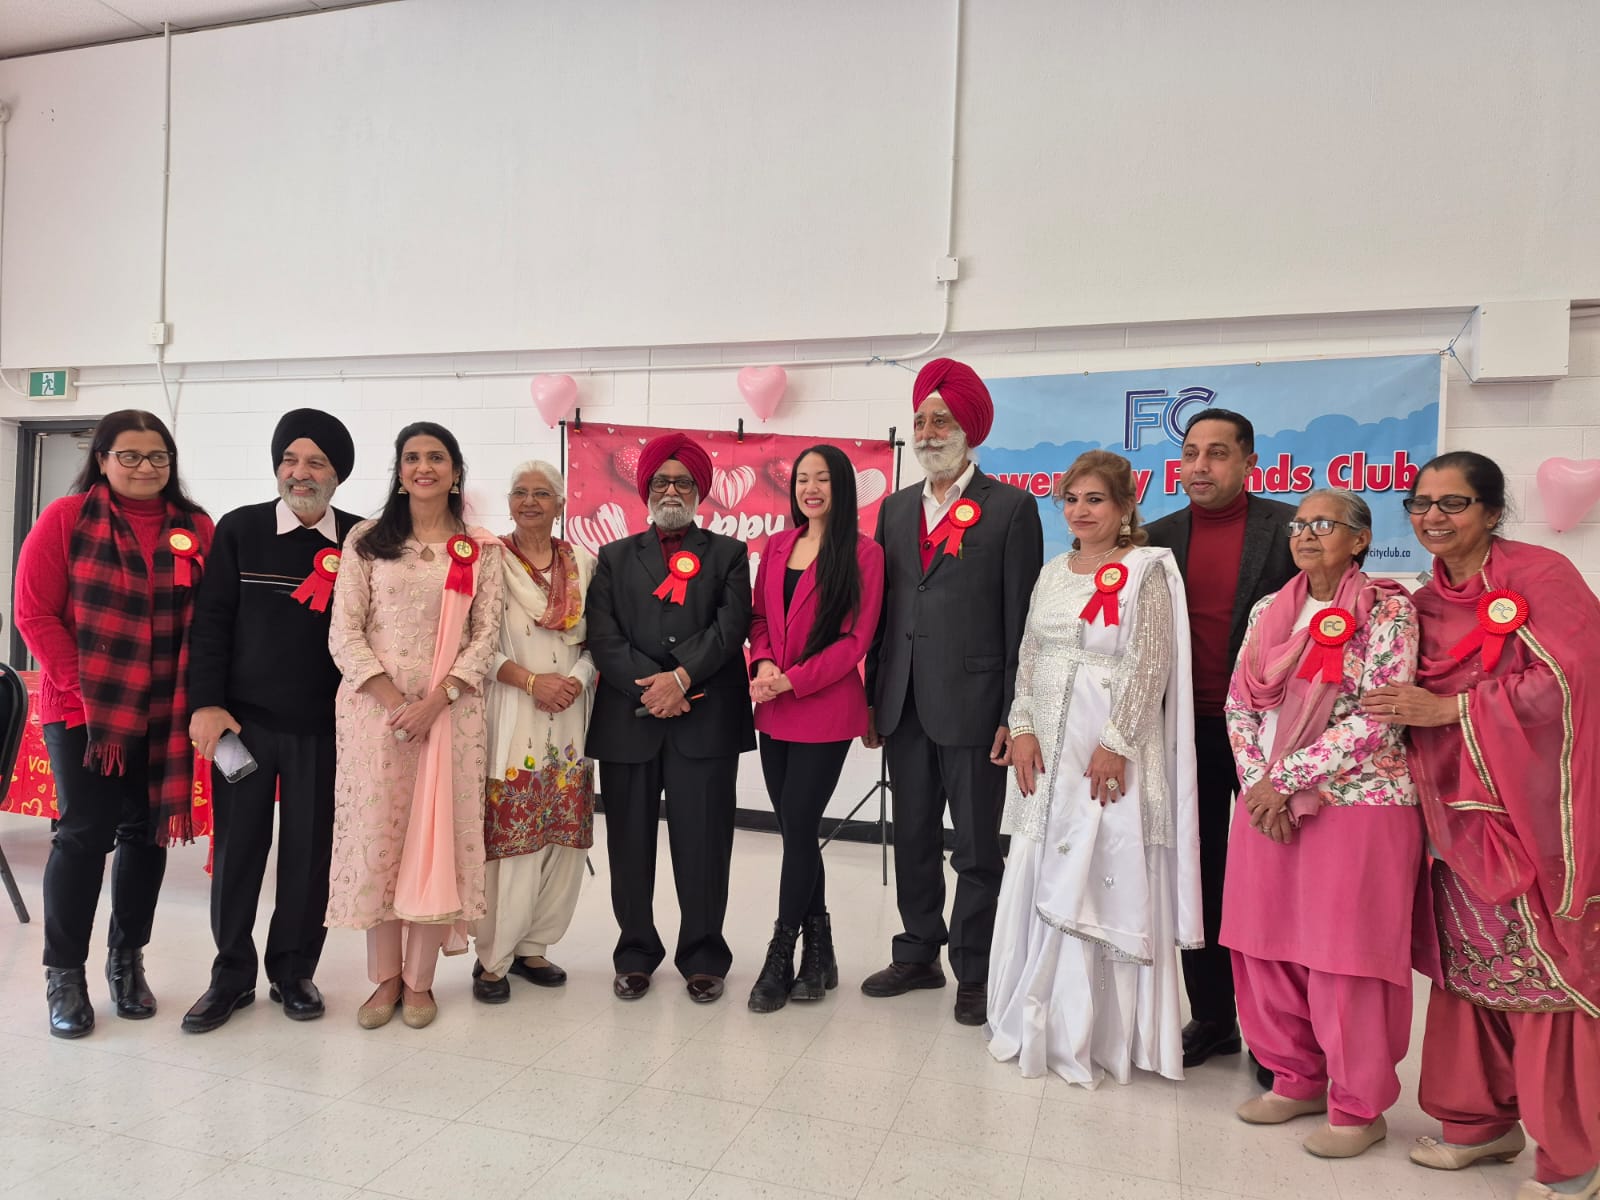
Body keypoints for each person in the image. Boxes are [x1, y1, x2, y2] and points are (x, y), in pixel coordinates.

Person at [1362, 452, 1600, 1200]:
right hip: (1450, 819)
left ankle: (1575, 1155)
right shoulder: (1423, 603)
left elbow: (1572, 679)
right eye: (1421, 503)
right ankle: (1480, 1124)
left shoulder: (1541, 575)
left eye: (1453, 503)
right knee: (1470, 967)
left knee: (1544, 971)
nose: (1432, 517)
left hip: (1529, 816)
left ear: (1493, 512)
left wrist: (1454, 708)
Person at [1222, 488, 1428, 1158]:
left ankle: (1358, 1108)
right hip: (1265, 802)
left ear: (1361, 540)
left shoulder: (1390, 609)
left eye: (1324, 524)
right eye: (1298, 524)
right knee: (1264, 946)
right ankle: (1296, 1079)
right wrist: (1258, 784)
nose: (1306, 534)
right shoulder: (1268, 609)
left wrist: (1281, 781)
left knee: (1345, 960)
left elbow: (1379, 717)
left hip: (1358, 802)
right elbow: (1239, 703)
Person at [987, 450, 1200, 1083]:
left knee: (1100, 864)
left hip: (1105, 745)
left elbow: (1150, 662)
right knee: (1037, 860)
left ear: (1126, 505)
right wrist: (1022, 725)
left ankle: (1099, 1034)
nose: (1080, 511)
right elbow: (1029, 652)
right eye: (1072, 500)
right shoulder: (1053, 571)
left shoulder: (1146, 570)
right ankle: (1036, 1016)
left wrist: (1118, 742)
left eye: (1095, 500)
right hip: (1046, 749)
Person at [14, 409, 214, 1038]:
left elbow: (212, 619)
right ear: (101, 459)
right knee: (83, 835)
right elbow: (34, 614)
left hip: (165, 710)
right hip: (83, 710)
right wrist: (91, 690)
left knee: (145, 836)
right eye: (129, 455)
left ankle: (126, 962)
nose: (145, 467)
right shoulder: (66, 519)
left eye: (158, 456)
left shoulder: (196, 527)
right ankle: (64, 975)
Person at [863, 357, 1045, 1026]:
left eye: (940, 420)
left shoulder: (1011, 508)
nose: (928, 432)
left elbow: (1021, 621)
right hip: (903, 703)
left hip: (975, 708)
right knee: (911, 836)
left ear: (969, 428)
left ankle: (975, 968)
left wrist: (1012, 714)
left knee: (973, 847)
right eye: (920, 420)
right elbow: (883, 611)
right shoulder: (894, 509)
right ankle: (917, 953)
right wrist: (873, 699)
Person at [179, 410, 359, 1032]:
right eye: (289, 460)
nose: (299, 473)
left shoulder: (360, 540)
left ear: (337, 474)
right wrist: (206, 703)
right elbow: (210, 623)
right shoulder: (241, 528)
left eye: (315, 462)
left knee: (310, 854)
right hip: (243, 727)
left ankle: (293, 970)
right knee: (238, 852)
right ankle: (230, 974)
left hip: (325, 730)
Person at [324, 422, 503, 1030]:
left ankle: (420, 980)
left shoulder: (481, 548)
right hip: (375, 715)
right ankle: (384, 979)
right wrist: (394, 698)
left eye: (436, 457)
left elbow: (485, 638)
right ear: (399, 473)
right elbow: (344, 631)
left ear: (455, 471)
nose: (423, 467)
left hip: (451, 716)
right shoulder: (367, 540)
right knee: (383, 836)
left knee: (435, 839)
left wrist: (435, 702)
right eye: (412, 458)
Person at [1143, 407, 1297, 1069]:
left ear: (1249, 462)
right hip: (1186, 733)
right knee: (1198, 876)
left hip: (1270, 737)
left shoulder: (1291, 530)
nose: (1200, 466)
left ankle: (1280, 1034)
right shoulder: (1155, 539)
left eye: (1217, 453)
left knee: (1273, 879)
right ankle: (1213, 1018)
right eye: (1190, 453)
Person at [585, 432, 754, 1004]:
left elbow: (731, 628)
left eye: (683, 482)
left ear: (700, 491)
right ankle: (635, 954)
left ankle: (704, 957)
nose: (672, 491)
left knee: (705, 845)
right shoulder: (613, 557)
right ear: (646, 490)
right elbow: (603, 635)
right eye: (662, 482)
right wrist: (655, 686)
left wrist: (680, 679)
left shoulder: (729, 554)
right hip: (629, 721)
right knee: (629, 846)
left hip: (705, 721)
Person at [746, 444, 885, 1012]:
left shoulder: (864, 553)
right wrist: (763, 664)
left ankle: (781, 953)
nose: (811, 488)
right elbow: (759, 617)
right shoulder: (778, 546)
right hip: (773, 705)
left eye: (822, 479)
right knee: (796, 832)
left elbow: (857, 639)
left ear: (841, 486)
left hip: (824, 707)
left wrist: (793, 679)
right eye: (803, 478)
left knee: (800, 825)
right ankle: (821, 952)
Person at [469, 461, 596, 1005]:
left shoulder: (584, 564)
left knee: (562, 836)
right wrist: (530, 681)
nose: (529, 502)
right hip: (512, 709)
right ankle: (493, 957)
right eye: (519, 492)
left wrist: (575, 680)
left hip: (570, 711)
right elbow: (472, 643)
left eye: (541, 493)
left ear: (560, 504)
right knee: (512, 838)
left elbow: (599, 639)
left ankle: (534, 946)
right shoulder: (489, 561)